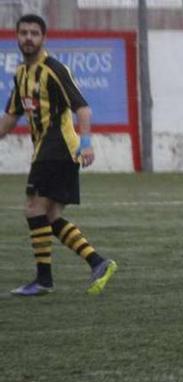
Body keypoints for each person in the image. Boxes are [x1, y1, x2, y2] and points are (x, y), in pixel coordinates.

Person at [0, 14, 117, 297]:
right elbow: (11, 116)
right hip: (46, 151)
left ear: (44, 38)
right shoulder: (21, 75)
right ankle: (98, 262)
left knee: (33, 207)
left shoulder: (53, 69)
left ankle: (43, 280)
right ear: (17, 37)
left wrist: (86, 143)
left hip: (58, 149)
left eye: (34, 33)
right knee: (49, 217)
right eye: (24, 33)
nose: (28, 38)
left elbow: (83, 109)